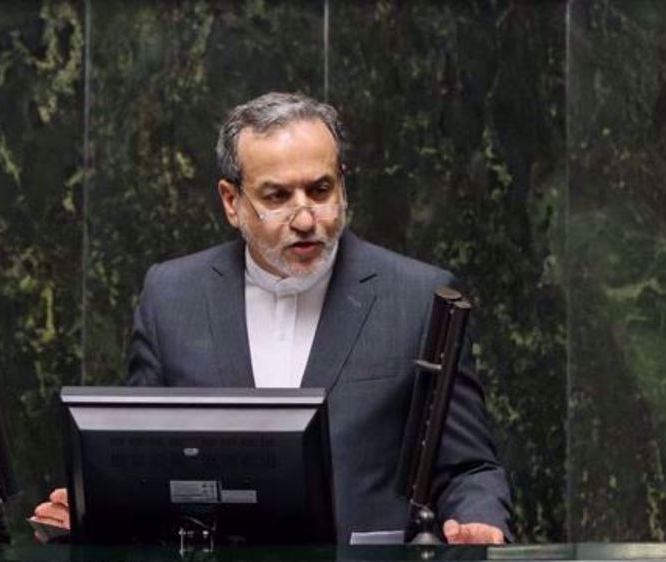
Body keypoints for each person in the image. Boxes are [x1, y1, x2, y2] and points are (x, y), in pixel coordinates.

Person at [32, 92, 512, 544]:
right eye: (277, 197)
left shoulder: (417, 297)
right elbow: (144, 467)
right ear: (231, 202)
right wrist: (100, 512)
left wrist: (476, 525)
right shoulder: (171, 295)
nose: (305, 218)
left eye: (320, 190)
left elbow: (470, 469)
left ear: (342, 183)